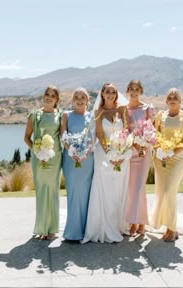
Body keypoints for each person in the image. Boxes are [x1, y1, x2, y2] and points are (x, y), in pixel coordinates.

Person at [81, 82, 130, 243]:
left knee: (118, 188)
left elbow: (126, 131)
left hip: (121, 152)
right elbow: (101, 134)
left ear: (117, 94)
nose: (110, 94)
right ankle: (102, 226)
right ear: (102, 94)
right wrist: (110, 152)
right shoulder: (98, 111)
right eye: (107, 92)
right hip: (103, 154)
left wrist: (120, 151)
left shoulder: (123, 110)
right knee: (105, 187)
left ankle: (118, 224)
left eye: (113, 92)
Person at [150, 87, 183, 242]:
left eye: (175, 97)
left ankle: (173, 229)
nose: (172, 99)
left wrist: (171, 153)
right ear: (166, 101)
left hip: (177, 158)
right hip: (160, 159)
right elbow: (154, 136)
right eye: (169, 97)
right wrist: (160, 152)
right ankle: (167, 226)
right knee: (162, 193)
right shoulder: (160, 116)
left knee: (170, 192)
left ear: (180, 100)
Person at [24, 85, 62, 240]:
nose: (49, 97)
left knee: (53, 191)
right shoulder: (34, 115)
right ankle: (41, 228)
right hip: (38, 159)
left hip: (55, 157)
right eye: (47, 94)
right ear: (43, 96)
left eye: (53, 95)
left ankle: (52, 228)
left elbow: (63, 136)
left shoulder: (60, 115)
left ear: (57, 99)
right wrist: (38, 151)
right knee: (41, 192)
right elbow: (26, 137)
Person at [60, 88, 94, 241]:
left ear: (88, 100)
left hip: (87, 160)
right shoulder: (66, 115)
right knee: (73, 193)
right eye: (76, 97)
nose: (80, 100)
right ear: (73, 100)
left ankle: (87, 230)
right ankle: (72, 232)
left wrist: (86, 153)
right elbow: (63, 135)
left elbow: (94, 138)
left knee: (86, 194)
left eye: (83, 97)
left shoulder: (92, 116)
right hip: (70, 159)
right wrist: (72, 152)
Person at [124, 80, 155, 236]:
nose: (134, 92)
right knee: (133, 188)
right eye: (131, 89)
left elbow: (152, 130)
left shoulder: (147, 109)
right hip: (130, 152)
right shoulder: (124, 109)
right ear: (127, 91)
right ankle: (141, 221)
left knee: (138, 187)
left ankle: (134, 222)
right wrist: (132, 143)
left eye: (137, 89)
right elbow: (123, 130)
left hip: (143, 152)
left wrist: (144, 143)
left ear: (141, 91)